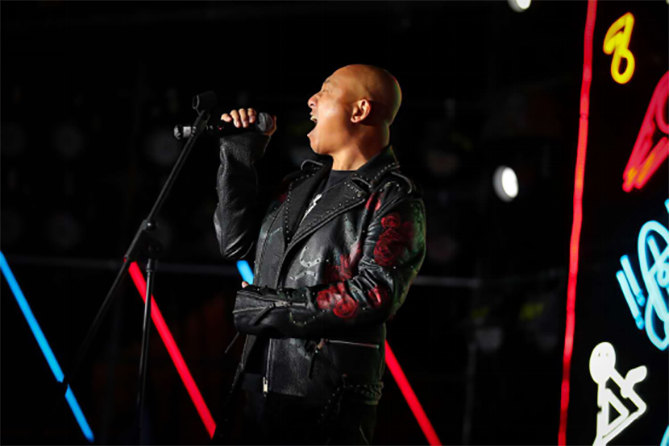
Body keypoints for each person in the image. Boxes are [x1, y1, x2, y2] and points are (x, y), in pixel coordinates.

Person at [211, 64, 426, 445]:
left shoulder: (392, 196)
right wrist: (238, 155)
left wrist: (270, 309)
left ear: (359, 110)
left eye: (325, 90)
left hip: (324, 401)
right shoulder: (298, 186)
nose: (311, 100)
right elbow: (234, 243)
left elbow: (375, 293)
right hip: (256, 388)